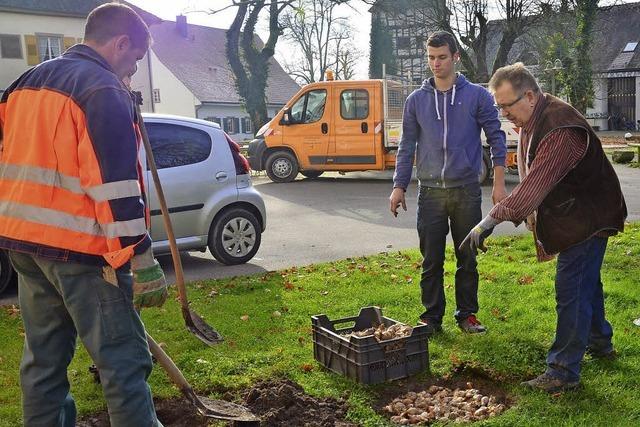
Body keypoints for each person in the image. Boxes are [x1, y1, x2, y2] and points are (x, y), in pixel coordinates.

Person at [0, 3, 168, 426]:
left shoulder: (23, 83)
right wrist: (140, 255)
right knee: (123, 363)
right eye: (133, 60)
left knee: (44, 361)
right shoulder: (101, 89)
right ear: (121, 42)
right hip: (83, 252)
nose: (129, 71)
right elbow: (115, 186)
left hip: (24, 246)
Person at [461, 62, 627, 392]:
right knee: (586, 282)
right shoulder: (537, 117)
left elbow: (533, 187)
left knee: (572, 288)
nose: (504, 113)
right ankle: (600, 342)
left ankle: (563, 372)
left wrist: (486, 223)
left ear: (531, 96)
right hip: (580, 212)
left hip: (588, 217)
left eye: (507, 105)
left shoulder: (558, 128)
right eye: (500, 106)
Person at [389, 31, 507, 334]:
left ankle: (467, 315)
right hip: (429, 193)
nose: (435, 63)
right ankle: (431, 318)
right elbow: (407, 146)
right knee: (431, 260)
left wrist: (498, 183)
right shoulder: (416, 101)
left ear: (455, 57)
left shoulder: (477, 96)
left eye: (442, 57)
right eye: (431, 57)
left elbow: (496, 138)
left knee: (467, 256)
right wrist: (398, 186)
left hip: (466, 190)